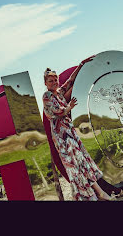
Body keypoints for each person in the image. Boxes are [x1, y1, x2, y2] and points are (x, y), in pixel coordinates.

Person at [42, 58, 114, 201]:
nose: (54, 82)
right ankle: (96, 194)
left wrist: (81, 64)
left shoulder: (59, 93)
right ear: (45, 83)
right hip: (62, 136)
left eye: (55, 80)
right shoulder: (47, 96)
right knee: (75, 165)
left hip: (69, 132)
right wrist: (68, 108)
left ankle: (98, 193)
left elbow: (69, 81)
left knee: (81, 162)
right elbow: (56, 112)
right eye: (51, 81)